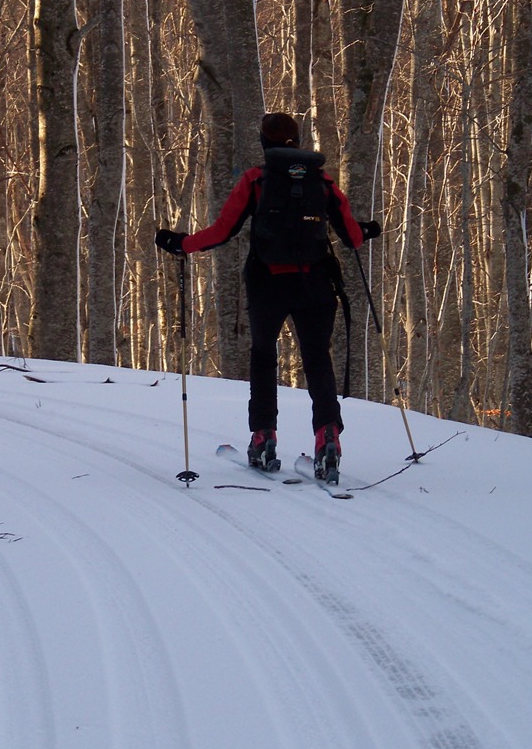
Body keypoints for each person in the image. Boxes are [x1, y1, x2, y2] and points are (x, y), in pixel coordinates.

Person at [155, 112, 380, 481]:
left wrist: (182, 244)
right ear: (298, 139)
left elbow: (222, 231)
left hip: (268, 283)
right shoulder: (322, 182)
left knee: (263, 357)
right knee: (317, 360)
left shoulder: (256, 181)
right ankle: (328, 438)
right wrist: (368, 230)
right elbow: (352, 237)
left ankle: (263, 437)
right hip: (316, 283)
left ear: (264, 142)